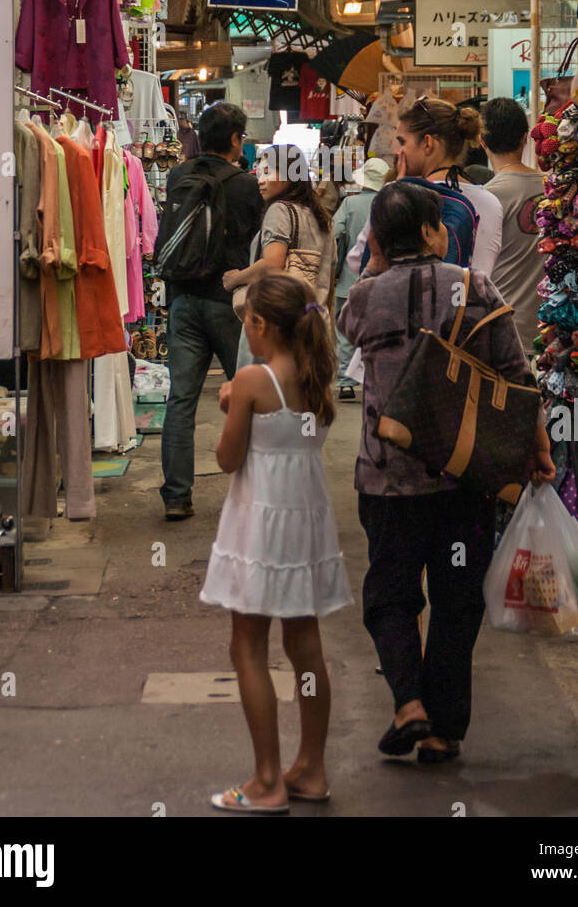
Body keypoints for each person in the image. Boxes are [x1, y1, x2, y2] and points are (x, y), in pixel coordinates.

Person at [338, 181, 554, 763]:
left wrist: (378, 263)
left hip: (388, 479)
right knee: (459, 599)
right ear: (437, 230)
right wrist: (537, 448)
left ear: (378, 238)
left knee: (390, 595)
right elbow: (516, 373)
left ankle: (408, 703)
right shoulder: (474, 287)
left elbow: (348, 332)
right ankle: (443, 729)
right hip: (465, 474)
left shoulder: (365, 297)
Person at [201, 273, 353, 813]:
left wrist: (230, 406)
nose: (246, 329)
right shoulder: (315, 377)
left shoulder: (251, 380)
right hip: (305, 520)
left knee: (247, 645)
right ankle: (310, 767)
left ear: (262, 324)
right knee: (305, 646)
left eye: (248, 321)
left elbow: (227, 459)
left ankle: (266, 780)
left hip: (261, 524)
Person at [158, 102, 262, 521]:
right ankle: (253, 491)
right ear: (236, 139)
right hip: (229, 304)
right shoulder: (245, 185)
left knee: (181, 399)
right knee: (249, 395)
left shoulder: (178, 176)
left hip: (182, 300)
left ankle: (176, 497)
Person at [222, 144, 335, 367]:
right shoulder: (322, 218)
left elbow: (273, 263)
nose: (260, 180)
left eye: (268, 172)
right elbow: (329, 282)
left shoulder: (280, 210)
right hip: (314, 327)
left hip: (276, 327)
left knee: (267, 398)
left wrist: (234, 279)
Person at [394, 97, 503, 276]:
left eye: (402, 142)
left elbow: (359, 260)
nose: (397, 152)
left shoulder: (400, 200)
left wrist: (397, 190)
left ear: (428, 143)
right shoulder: (490, 202)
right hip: (469, 300)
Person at [482, 97, 545, 355]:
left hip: (504, 333)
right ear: (525, 138)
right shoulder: (556, 188)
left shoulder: (486, 198)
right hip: (557, 332)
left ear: (482, 143)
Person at [332, 157, 388, 400]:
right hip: (382, 281)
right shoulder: (390, 203)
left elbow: (334, 233)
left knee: (346, 331)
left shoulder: (349, 203)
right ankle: (373, 379)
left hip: (348, 279)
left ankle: (345, 382)